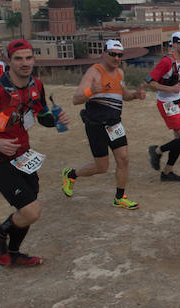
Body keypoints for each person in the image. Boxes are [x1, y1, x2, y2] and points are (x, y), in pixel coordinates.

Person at [0, 39, 69, 266]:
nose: (25, 63)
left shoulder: (36, 86)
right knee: (31, 211)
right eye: (18, 58)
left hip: (23, 155)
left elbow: (42, 117)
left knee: (28, 206)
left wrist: (55, 120)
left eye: (29, 58)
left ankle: (13, 253)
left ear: (34, 59)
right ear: (9, 61)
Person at [61, 40, 145, 210]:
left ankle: (120, 197)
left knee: (124, 159)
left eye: (119, 55)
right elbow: (76, 99)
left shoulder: (120, 73)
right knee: (101, 167)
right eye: (112, 54)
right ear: (103, 53)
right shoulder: (94, 72)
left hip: (114, 123)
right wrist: (91, 91)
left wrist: (135, 95)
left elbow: (124, 95)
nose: (116, 58)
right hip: (96, 124)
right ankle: (71, 174)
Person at [143, 31, 180, 182]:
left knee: (178, 140)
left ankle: (167, 172)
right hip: (166, 103)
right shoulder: (167, 62)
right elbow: (150, 81)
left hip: (178, 101)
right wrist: (170, 89)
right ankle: (156, 150)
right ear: (174, 45)